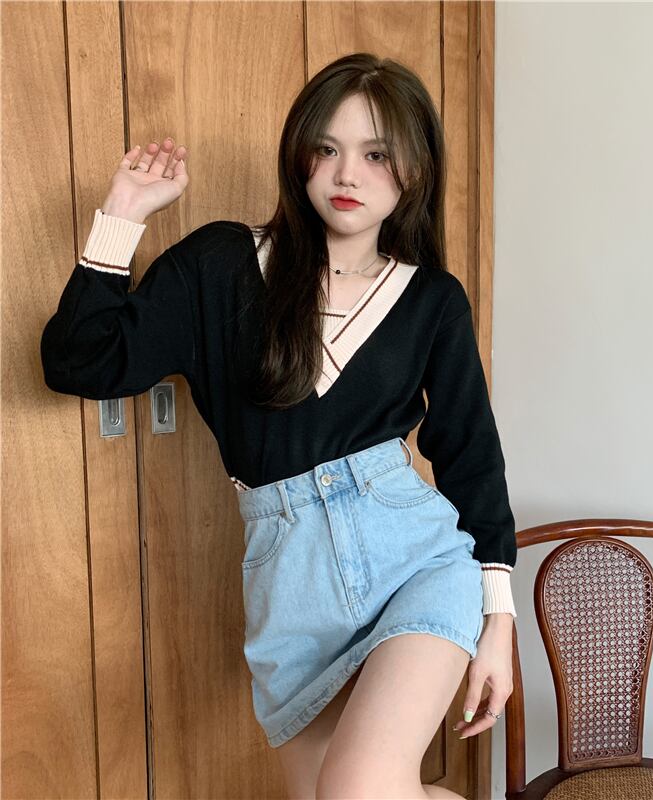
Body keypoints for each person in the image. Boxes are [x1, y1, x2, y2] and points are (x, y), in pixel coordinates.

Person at [40, 52, 517, 800]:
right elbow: (81, 362)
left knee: (359, 787)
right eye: (327, 148)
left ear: (415, 169)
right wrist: (124, 211)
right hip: (289, 582)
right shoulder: (221, 264)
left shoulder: (431, 299)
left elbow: (471, 457)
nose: (347, 174)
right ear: (300, 155)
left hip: (414, 562)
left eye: (376, 154)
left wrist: (498, 621)